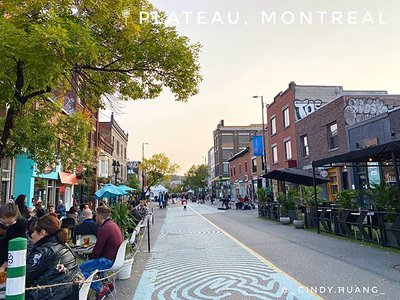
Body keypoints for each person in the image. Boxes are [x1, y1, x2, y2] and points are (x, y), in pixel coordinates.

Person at [26, 215, 80, 300]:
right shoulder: (65, 246)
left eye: (32, 232)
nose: (31, 236)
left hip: (50, 295)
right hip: (68, 295)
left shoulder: (43, 251)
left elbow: (25, 278)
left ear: (42, 232)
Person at [79, 206, 123, 299]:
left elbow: (97, 251)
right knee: (92, 264)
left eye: (96, 215)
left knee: (80, 269)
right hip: (115, 258)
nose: (95, 217)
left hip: (108, 260)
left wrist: (90, 260)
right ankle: (108, 284)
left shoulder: (104, 229)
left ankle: (100, 289)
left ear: (99, 216)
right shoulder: (113, 224)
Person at [0, 203, 28, 273]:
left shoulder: (21, 223)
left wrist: (4, 266)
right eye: (3, 223)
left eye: (11, 223)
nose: (7, 226)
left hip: (10, 254)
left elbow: (18, 245)